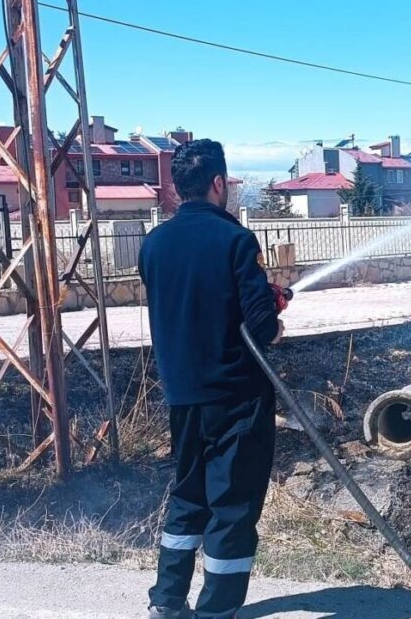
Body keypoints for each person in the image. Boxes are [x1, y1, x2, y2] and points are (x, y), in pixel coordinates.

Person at [139, 139, 284, 619]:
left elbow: (194, 299)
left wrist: (262, 295)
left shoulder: (154, 244)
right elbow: (260, 328)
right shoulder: (236, 240)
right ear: (219, 183)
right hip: (237, 400)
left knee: (187, 496)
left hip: (182, 397)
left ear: (178, 187)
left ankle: (166, 601)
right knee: (233, 507)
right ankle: (217, 611)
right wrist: (274, 316)